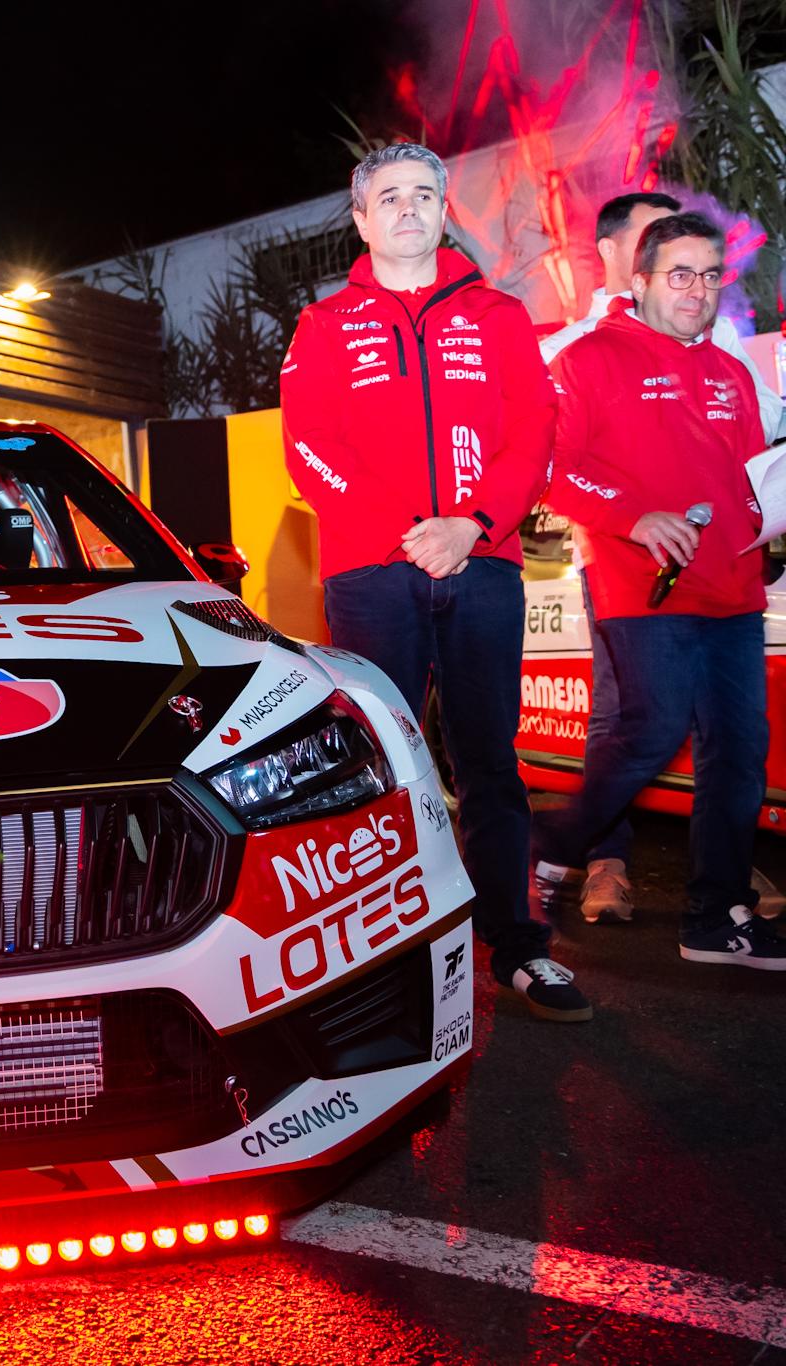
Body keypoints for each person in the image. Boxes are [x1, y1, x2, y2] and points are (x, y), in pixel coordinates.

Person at [282, 142, 590, 1021]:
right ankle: (378, 953)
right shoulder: (323, 325)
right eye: (390, 197)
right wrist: (408, 534)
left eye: (425, 195)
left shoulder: (497, 314)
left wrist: (473, 526)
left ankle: (517, 947)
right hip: (372, 572)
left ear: (445, 211)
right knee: (375, 765)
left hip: (484, 564)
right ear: (361, 218)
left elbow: (534, 431)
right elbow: (309, 450)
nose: (409, 209)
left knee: (492, 762)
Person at [535, 212, 784, 969]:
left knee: (739, 754)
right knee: (650, 731)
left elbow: (750, 482)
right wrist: (635, 517)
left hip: (734, 590)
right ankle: (547, 845)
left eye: (711, 276)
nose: (698, 290)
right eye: (680, 274)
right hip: (642, 589)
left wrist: (768, 521)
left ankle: (713, 918)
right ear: (637, 281)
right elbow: (554, 468)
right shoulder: (589, 360)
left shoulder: (732, 373)